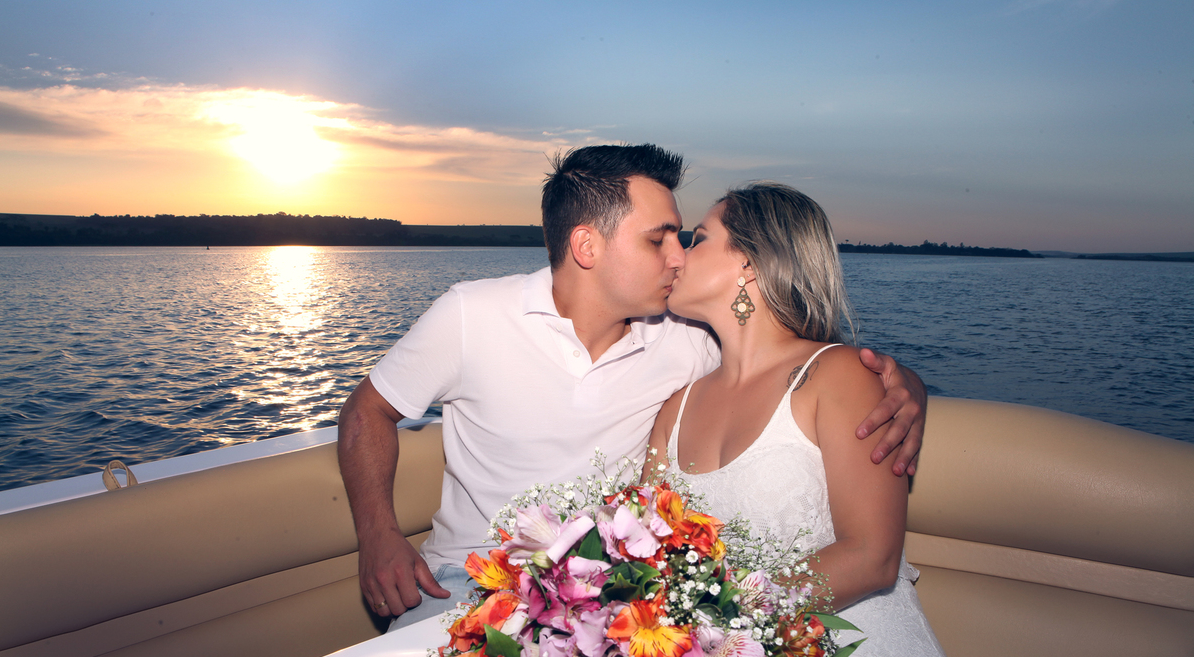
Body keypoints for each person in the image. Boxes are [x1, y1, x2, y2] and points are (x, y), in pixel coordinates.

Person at [337, 145, 928, 628]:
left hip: (597, 604)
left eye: (686, 238)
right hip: (463, 582)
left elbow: (789, 361)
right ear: (587, 246)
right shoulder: (472, 314)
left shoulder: (687, 340)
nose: (677, 258)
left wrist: (906, 388)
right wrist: (380, 536)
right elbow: (366, 411)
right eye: (658, 239)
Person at [647, 182, 954, 657]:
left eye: (698, 239)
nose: (679, 255)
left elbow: (871, 556)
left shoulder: (839, 375)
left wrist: (719, 621)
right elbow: (648, 550)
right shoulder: (674, 411)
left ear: (750, 261)